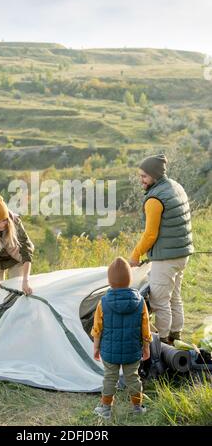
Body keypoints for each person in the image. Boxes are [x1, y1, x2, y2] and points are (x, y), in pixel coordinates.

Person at [129, 154, 194, 344]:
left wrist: (135, 255)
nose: (141, 180)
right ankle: (177, 336)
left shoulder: (154, 199)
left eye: (144, 176)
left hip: (166, 258)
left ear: (155, 176)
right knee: (175, 297)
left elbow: (150, 235)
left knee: (160, 301)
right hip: (182, 254)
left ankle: (164, 342)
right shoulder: (175, 186)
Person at [92, 257, 152, 419]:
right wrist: (146, 348)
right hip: (132, 350)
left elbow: (97, 329)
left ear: (110, 281)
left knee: (109, 378)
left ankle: (105, 409)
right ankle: (137, 408)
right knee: (133, 377)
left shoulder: (102, 302)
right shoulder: (140, 302)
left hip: (109, 351)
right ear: (130, 280)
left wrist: (96, 348)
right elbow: (146, 329)